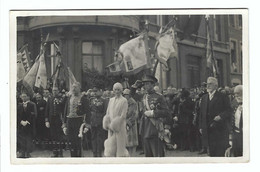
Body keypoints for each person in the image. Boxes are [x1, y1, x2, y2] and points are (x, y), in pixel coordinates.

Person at [199, 77, 232, 157]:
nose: (208, 86)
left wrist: (221, 116)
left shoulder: (222, 96)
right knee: (211, 153)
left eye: (210, 84)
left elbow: (229, 110)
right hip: (208, 130)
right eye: (207, 84)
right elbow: (201, 114)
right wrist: (201, 126)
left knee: (220, 153)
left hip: (219, 130)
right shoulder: (204, 97)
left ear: (216, 86)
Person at [140, 75, 171, 157]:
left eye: (148, 84)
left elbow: (167, 112)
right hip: (145, 129)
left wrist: (154, 113)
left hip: (155, 129)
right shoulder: (144, 96)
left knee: (157, 156)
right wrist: (133, 87)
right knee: (148, 158)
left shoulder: (159, 96)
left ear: (153, 85)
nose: (145, 86)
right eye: (144, 84)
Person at [62, 82, 91, 157]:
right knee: (71, 141)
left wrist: (87, 125)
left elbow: (88, 112)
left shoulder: (84, 99)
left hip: (79, 121)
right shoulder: (69, 98)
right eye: (72, 87)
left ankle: (79, 158)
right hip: (70, 121)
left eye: (75, 87)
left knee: (79, 142)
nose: (74, 89)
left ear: (79, 88)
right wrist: (64, 125)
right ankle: (73, 157)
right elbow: (65, 111)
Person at [102, 82, 129, 157]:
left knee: (120, 148)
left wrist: (115, 125)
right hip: (110, 127)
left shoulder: (124, 100)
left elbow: (123, 115)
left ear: (121, 90)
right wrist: (108, 124)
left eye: (118, 90)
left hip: (119, 127)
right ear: (113, 90)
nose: (117, 91)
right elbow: (107, 113)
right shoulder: (111, 100)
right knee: (110, 148)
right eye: (115, 89)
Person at [45, 87, 66, 157]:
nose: (54, 92)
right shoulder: (50, 99)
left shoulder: (61, 98)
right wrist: (46, 120)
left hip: (59, 119)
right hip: (52, 120)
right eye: (53, 90)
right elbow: (47, 110)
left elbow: (63, 109)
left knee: (59, 136)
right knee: (53, 136)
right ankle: (55, 152)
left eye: (56, 90)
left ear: (58, 91)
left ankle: (60, 152)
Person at [89, 85, 108, 157]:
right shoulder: (91, 100)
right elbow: (89, 110)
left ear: (100, 91)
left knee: (100, 138)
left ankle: (99, 152)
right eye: (93, 91)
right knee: (93, 137)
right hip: (93, 120)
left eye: (96, 91)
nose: (94, 93)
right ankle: (94, 152)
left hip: (100, 120)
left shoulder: (104, 100)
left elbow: (105, 111)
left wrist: (103, 120)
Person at [17, 92, 37, 158]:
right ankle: (22, 152)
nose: (24, 98)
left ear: (27, 97)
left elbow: (33, 115)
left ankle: (28, 153)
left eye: (25, 96)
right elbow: (17, 115)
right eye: (22, 96)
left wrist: (27, 121)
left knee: (28, 139)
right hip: (21, 125)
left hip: (29, 125)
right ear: (21, 97)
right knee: (22, 139)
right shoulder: (19, 105)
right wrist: (21, 121)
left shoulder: (31, 105)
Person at [226, 85, 243, 157]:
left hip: (245, 135)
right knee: (236, 153)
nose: (237, 97)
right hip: (236, 135)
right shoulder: (235, 104)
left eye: (239, 94)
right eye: (235, 95)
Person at [123, 89, 139, 157]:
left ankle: (132, 155)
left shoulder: (132, 102)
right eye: (124, 95)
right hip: (125, 122)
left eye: (126, 95)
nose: (125, 96)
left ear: (129, 95)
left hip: (131, 124)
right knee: (127, 142)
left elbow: (133, 114)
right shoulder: (124, 102)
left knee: (132, 142)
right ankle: (129, 155)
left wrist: (128, 122)